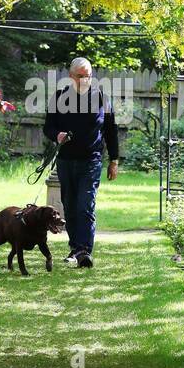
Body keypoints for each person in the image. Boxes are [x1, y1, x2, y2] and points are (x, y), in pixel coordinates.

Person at [43, 57, 119, 268]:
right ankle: (76, 248)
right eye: (80, 76)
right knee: (70, 205)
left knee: (85, 205)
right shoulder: (59, 97)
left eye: (88, 76)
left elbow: (111, 130)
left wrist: (114, 160)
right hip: (66, 161)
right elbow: (47, 127)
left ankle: (85, 251)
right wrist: (56, 135)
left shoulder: (102, 98)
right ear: (70, 77)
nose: (85, 80)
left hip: (91, 161)